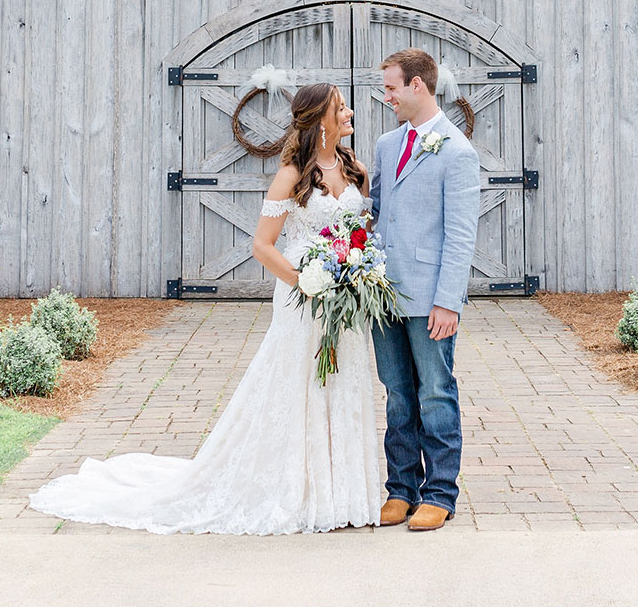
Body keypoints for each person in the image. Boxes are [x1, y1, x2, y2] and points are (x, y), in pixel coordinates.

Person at [26, 83, 384, 534]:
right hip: (303, 299)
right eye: (340, 107)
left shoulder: (357, 170)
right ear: (320, 119)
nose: (349, 112)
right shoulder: (292, 173)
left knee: (342, 384)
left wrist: (355, 272)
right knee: (299, 384)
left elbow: (360, 235)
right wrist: (305, 283)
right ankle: (297, 488)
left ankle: (342, 491)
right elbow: (262, 245)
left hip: (344, 302)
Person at [367, 47, 480, 533]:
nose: (385, 95)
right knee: (396, 394)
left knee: (435, 392)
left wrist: (447, 301)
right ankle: (400, 489)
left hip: (430, 297)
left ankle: (440, 493)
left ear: (417, 85)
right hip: (382, 292)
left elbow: (461, 234)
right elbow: (373, 213)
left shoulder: (457, 151)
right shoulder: (387, 144)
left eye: (391, 87)